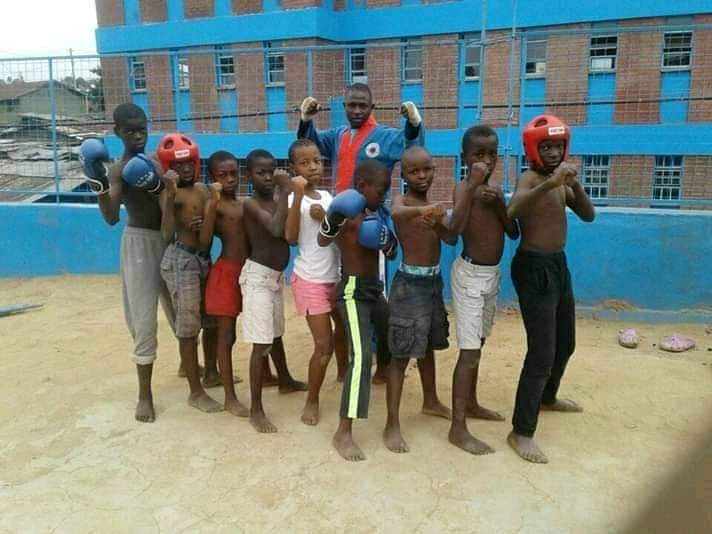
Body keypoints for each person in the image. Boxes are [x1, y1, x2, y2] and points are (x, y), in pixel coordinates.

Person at [506, 114, 595, 464]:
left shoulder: (562, 182)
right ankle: (521, 431)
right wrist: (551, 182)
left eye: (558, 145)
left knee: (566, 343)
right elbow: (513, 210)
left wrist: (574, 185)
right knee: (541, 351)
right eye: (547, 146)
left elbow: (588, 215)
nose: (554, 152)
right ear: (533, 149)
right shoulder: (529, 179)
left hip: (558, 266)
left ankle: (548, 397)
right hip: (533, 268)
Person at [79, 103, 175, 423]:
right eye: (130, 131)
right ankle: (144, 395)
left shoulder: (159, 161)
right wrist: (98, 183)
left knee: (181, 310)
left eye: (142, 129)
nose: (137, 135)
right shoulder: (119, 169)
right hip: (139, 242)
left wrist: (167, 184)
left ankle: (197, 368)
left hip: (169, 240)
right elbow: (110, 217)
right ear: (117, 132)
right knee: (143, 317)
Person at [318, 159, 397, 462]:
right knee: (362, 357)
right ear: (362, 187)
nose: (385, 196)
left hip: (374, 290)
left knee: (393, 343)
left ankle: (393, 420)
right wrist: (332, 217)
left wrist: (386, 239)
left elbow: (392, 253)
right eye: (382, 191)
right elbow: (322, 240)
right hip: (351, 291)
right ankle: (343, 431)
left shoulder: (377, 216)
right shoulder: (344, 213)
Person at [448, 125, 520, 455]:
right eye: (478, 155)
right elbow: (452, 232)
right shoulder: (461, 188)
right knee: (469, 352)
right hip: (469, 277)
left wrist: (501, 204)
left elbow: (512, 232)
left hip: (492, 276)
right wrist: (474, 187)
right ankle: (457, 428)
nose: (486, 161)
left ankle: (472, 404)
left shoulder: (497, 193)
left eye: (492, 155)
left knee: (480, 343)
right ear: (465, 158)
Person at [382, 146, 453, 454]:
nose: (422, 176)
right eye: (414, 171)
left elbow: (450, 237)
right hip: (409, 285)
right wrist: (425, 212)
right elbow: (396, 212)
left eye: (427, 169)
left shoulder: (435, 209)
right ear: (404, 175)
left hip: (433, 283)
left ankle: (431, 400)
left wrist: (438, 221)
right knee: (400, 355)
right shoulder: (402, 201)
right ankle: (392, 424)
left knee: (426, 347)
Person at [241, 149, 307, 433]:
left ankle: (284, 379)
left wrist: (290, 191)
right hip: (257, 279)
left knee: (276, 333)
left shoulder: (280, 199)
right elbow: (278, 229)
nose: (268, 177)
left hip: (276, 278)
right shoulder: (251, 204)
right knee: (261, 344)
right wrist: (284, 188)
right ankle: (256, 410)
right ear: (249, 176)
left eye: (272, 171)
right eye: (261, 172)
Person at [284, 139, 347, 426]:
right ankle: (312, 400)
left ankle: (344, 374)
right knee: (324, 345)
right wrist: (297, 196)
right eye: (304, 162)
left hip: (334, 277)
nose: (312, 167)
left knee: (344, 330)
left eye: (316, 161)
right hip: (310, 279)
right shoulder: (291, 199)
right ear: (292, 168)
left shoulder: (328, 197)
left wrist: (328, 220)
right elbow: (289, 237)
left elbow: (339, 236)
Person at [158, 134, 222, 413]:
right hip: (181, 260)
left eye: (189, 164)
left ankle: (211, 372)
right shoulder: (170, 193)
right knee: (188, 325)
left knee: (212, 321)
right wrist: (171, 197)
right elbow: (166, 232)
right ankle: (195, 393)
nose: (184, 170)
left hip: (204, 259)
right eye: (177, 165)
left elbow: (212, 227)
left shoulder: (204, 190)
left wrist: (205, 218)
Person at [297, 83, 424, 193]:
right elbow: (309, 145)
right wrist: (305, 119)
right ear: (344, 106)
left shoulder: (385, 136)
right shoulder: (337, 135)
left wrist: (414, 123)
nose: (357, 111)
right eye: (352, 105)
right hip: (339, 210)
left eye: (362, 106)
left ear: (371, 107)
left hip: (371, 215)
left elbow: (411, 147)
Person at [198, 150, 250, 417]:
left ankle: (271, 376)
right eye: (223, 175)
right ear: (213, 178)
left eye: (234, 174)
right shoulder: (215, 207)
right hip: (225, 274)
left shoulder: (245, 205)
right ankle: (230, 396)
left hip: (249, 273)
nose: (230, 179)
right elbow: (205, 243)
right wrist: (210, 204)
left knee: (260, 331)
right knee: (226, 336)